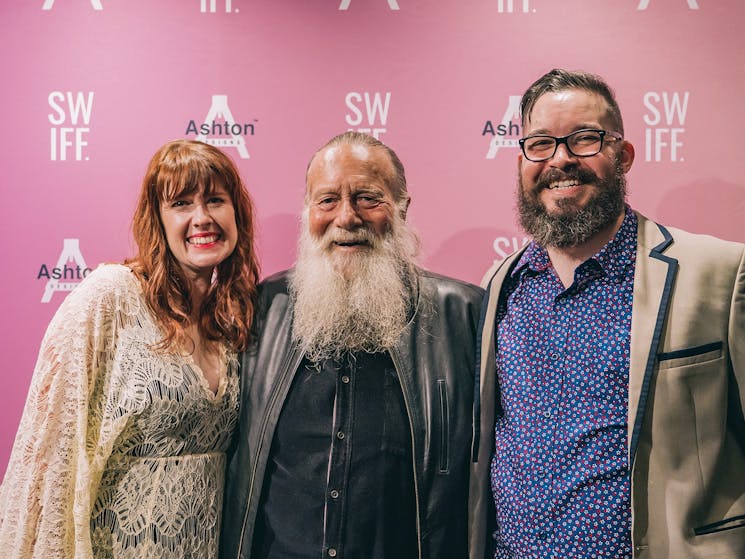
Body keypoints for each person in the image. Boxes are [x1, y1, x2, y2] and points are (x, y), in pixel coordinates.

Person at [468, 68, 745, 558]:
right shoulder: (499, 286)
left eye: (584, 140)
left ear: (624, 155)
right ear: (521, 161)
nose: (560, 160)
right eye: (541, 144)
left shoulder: (718, 273)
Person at [219, 131, 483, 559]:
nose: (346, 217)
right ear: (308, 211)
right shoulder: (262, 308)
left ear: (401, 208)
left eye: (367, 198)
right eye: (327, 200)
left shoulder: (464, 315)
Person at [0, 139, 260, 558]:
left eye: (215, 199)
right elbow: (48, 451)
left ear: (237, 214)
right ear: (157, 219)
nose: (202, 218)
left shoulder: (228, 322)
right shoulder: (110, 297)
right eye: (181, 203)